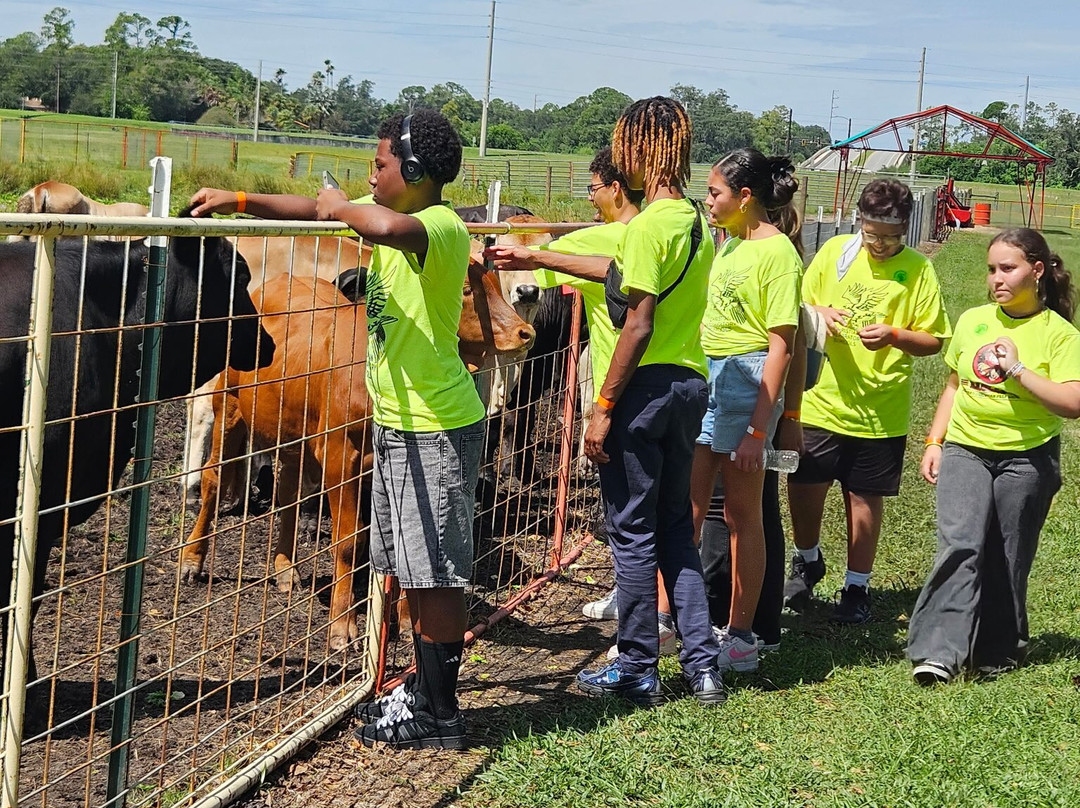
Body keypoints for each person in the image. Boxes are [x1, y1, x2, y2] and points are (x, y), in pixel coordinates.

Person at [190, 109, 482, 749]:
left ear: (415, 172)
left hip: (436, 425)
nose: (370, 178)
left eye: (380, 166)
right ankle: (425, 695)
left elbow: (371, 220)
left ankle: (439, 713)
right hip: (405, 423)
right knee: (413, 564)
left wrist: (338, 205)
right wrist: (239, 199)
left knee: (435, 574)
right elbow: (316, 207)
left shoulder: (438, 227)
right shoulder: (395, 220)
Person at [494, 97, 724, 706]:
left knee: (631, 533)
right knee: (676, 528)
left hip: (641, 390)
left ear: (643, 149)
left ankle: (636, 667)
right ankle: (703, 667)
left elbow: (637, 322)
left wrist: (602, 406)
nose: (618, 158)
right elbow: (619, 269)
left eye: (624, 146)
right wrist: (538, 255)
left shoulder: (648, 225)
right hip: (688, 386)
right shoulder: (693, 221)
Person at [488, 147, 677, 659]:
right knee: (667, 512)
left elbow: (530, 277)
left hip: (628, 384)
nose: (589, 200)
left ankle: (640, 640)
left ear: (616, 188)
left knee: (630, 515)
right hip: (682, 380)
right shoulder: (681, 226)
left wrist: (518, 253)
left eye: (592, 190)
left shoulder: (611, 236)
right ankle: (661, 614)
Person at [907, 228, 1080, 684]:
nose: (996, 279)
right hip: (966, 447)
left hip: (1027, 457)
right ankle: (937, 653)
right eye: (991, 270)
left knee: (1008, 553)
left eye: (1008, 269)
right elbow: (953, 384)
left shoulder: (1058, 334)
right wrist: (934, 440)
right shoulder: (974, 320)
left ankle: (995, 651)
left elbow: (1073, 403)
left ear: (1037, 271)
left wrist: (1019, 371)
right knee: (959, 543)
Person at [785, 179, 951, 624]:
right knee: (803, 486)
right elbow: (794, 306)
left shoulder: (917, 270)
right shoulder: (835, 253)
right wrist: (818, 314)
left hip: (881, 408)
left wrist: (897, 335)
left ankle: (857, 585)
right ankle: (807, 561)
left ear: (906, 228)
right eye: (872, 234)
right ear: (859, 221)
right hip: (820, 399)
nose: (880, 245)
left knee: (864, 498)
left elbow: (934, 339)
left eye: (891, 237)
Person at [690, 149, 802, 672]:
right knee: (688, 510)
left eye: (715, 193)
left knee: (741, 516)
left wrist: (761, 427)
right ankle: (677, 621)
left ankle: (740, 636)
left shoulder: (778, 254)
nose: (708, 201)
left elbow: (782, 343)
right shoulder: (729, 244)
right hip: (712, 375)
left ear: (745, 196)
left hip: (748, 379)